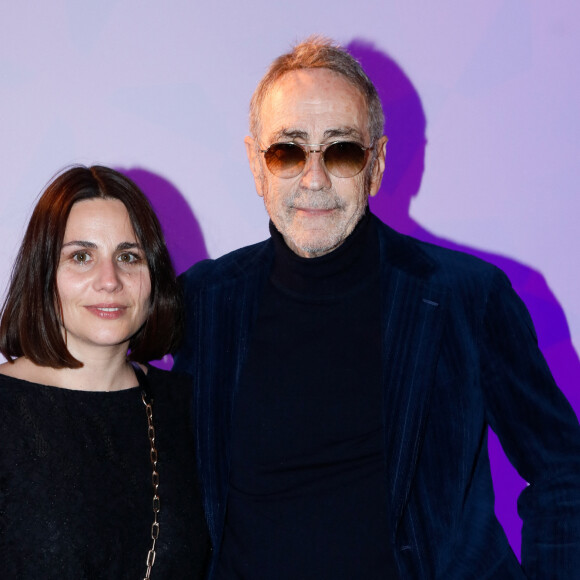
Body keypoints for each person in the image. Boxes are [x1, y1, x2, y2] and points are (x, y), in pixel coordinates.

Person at [173, 37, 580, 579]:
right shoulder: (202, 301)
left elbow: (563, 471)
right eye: (288, 150)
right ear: (256, 164)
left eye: (340, 151)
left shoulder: (468, 298)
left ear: (377, 162)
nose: (313, 179)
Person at [0, 166, 210, 579]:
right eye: (81, 256)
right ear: (44, 275)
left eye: (128, 256)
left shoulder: (187, 406)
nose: (109, 280)